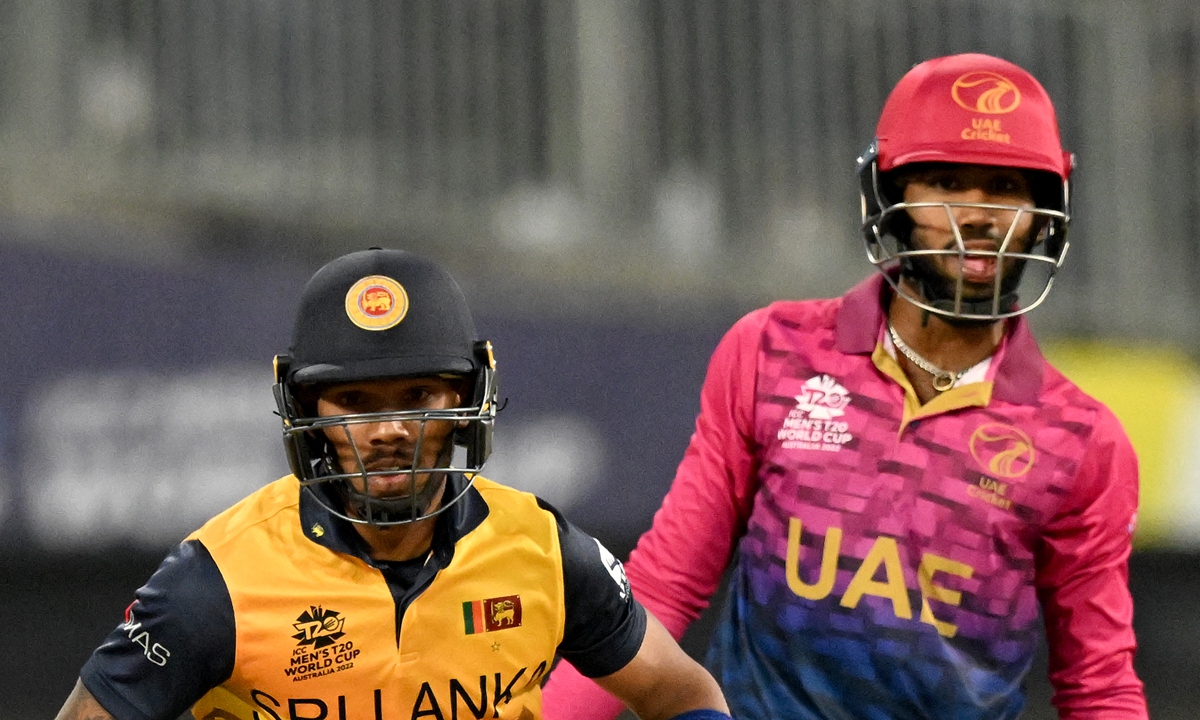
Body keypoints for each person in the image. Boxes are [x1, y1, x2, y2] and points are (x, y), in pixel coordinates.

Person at [542, 53, 1148, 719]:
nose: (977, 215)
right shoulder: (773, 352)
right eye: (946, 182)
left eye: (1006, 186)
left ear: (1045, 212)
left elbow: (1098, 686)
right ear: (887, 198)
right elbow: (662, 589)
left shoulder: (1081, 441)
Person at [54, 248, 733, 720]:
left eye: (418, 395)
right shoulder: (216, 581)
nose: (388, 430)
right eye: (354, 400)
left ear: (469, 398)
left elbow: (681, 692)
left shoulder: (545, 554)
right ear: (307, 412)